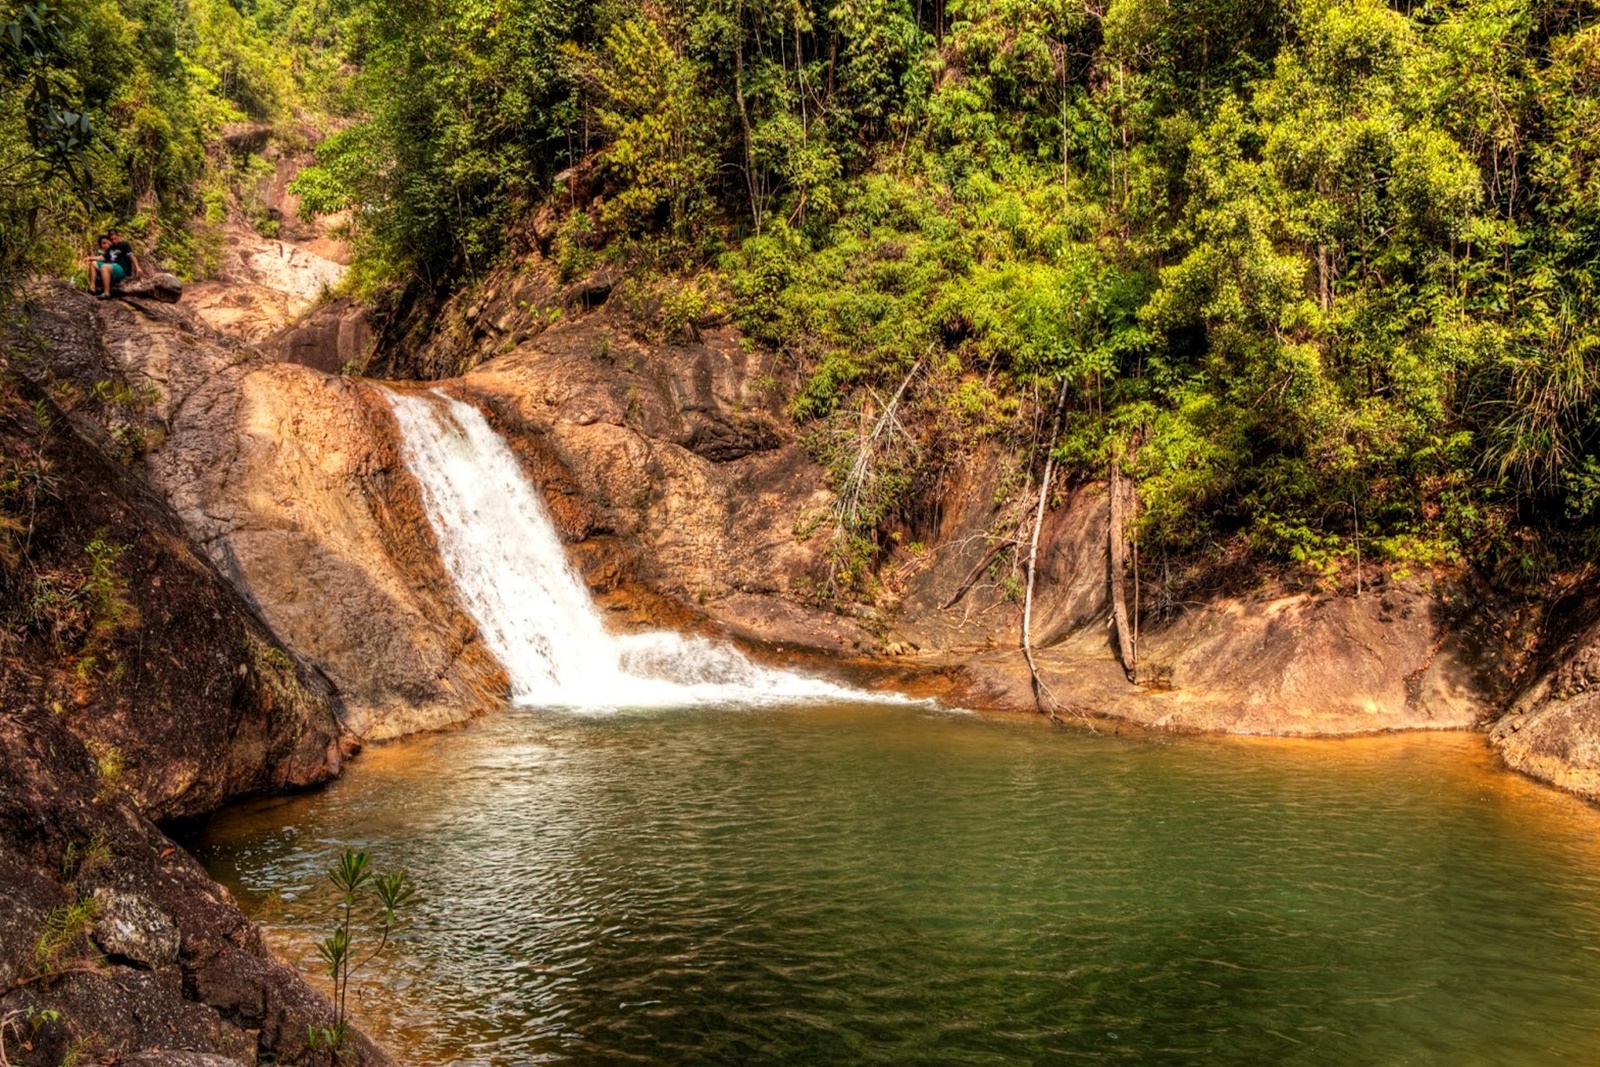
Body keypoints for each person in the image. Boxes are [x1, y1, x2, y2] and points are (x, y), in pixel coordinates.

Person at [85, 231, 138, 299]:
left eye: (115, 239)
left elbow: (131, 256)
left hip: (121, 268)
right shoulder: (111, 248)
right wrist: (91, 258)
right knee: (93, 263)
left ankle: (107, 293)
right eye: (112, 240)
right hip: (111, 267)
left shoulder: (124, 245)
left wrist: (137, 267)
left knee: (105, 267)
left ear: (118, 237)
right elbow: (103, 257)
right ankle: (92, 288)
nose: (114, 241)